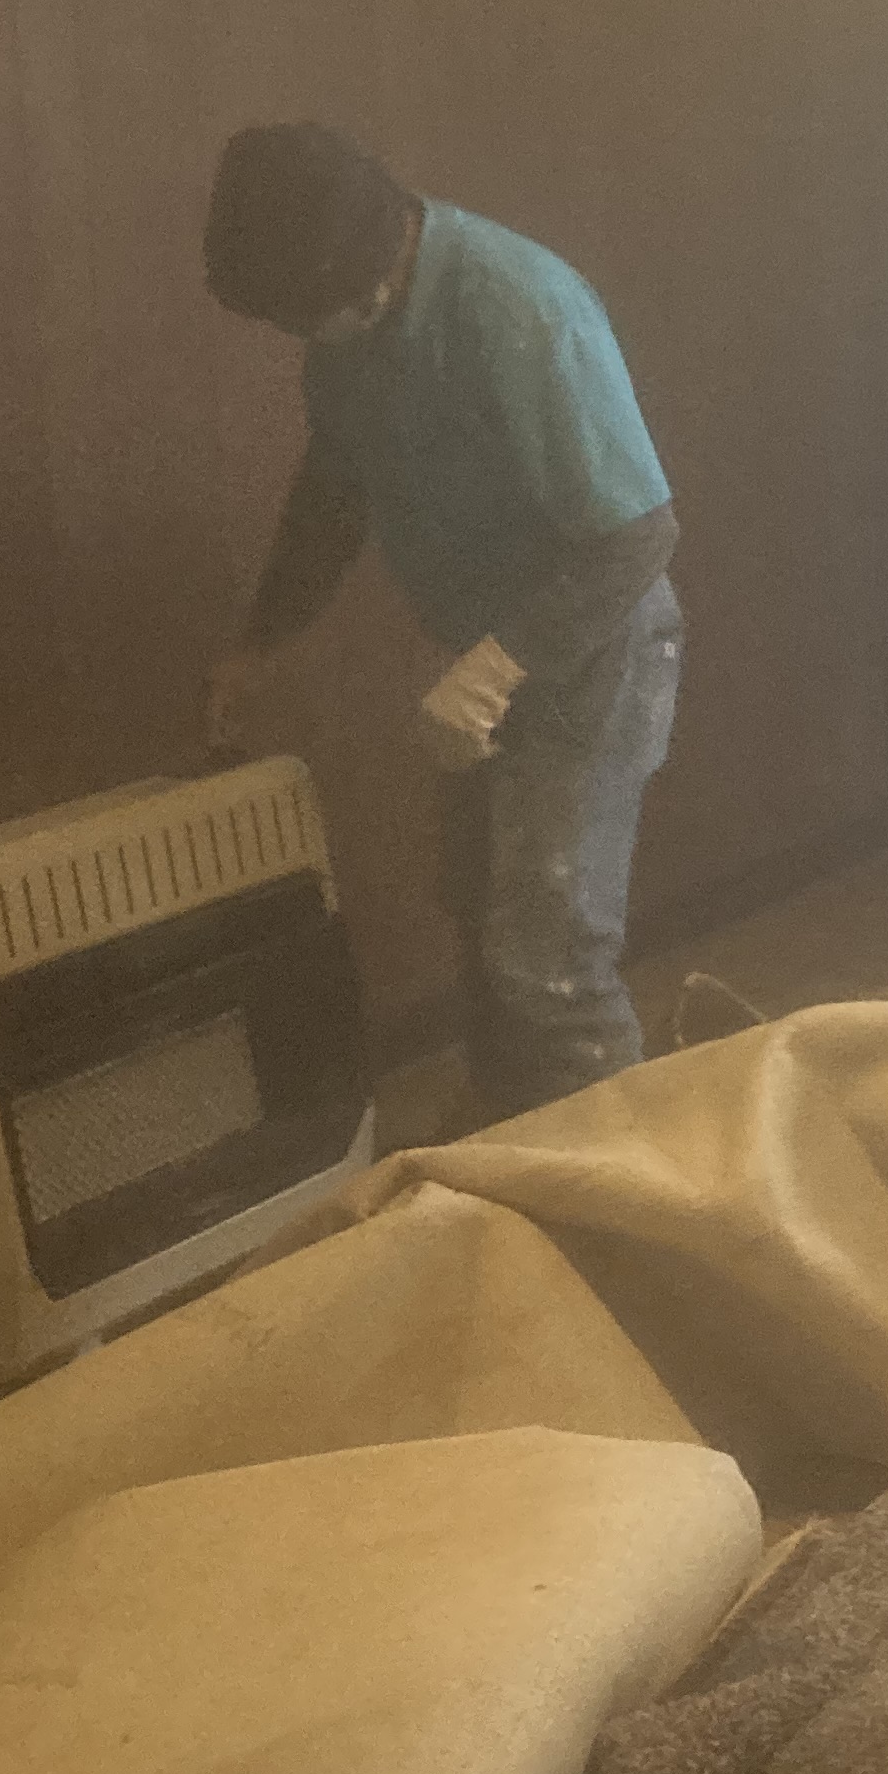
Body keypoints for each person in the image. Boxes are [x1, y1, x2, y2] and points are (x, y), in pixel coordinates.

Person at [197, 123, 681, 1116]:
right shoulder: (348, 323)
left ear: (370, 264)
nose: (305, 334)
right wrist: (261, 640)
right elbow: (335, 489)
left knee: (548, 951)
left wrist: (500, 666)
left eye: (307, 314)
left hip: (598, 645)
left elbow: (637, 537)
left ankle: (621, 1180)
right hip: (488, 650)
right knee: (481, 913)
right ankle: (513, 1140)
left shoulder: (520, 311)